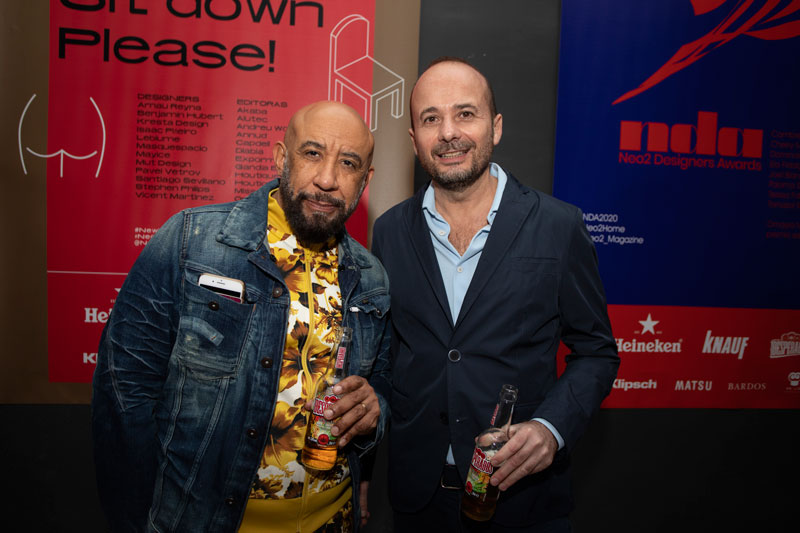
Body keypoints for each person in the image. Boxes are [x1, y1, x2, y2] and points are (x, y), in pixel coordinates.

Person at [92, 101, 391, 532]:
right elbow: (124, 392)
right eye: (312, 153)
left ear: (366, 179)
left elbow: (381, 389)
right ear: (281, 157)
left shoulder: (371, 277)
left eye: (348, 163)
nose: (327, 179)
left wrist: (374, 408)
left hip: (334, 520)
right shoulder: (191, 241)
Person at [371, 57, 620, 532]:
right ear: (414, 140)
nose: (449, 132)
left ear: (496, 127)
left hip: (523, 501)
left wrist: (551, 428)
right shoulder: (389, 232)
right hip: (418, 500)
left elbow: (597, 352)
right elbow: (385, 358)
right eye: (431, 118)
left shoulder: (558, 225)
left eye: (465, 114)